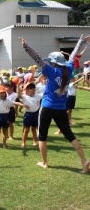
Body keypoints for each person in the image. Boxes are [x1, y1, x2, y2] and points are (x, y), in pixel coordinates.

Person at [20, 35, 90, 172]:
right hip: (61, 109)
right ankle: (84, 160)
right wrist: (80, 42)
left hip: (47, 107)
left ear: (53, 62)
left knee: (42, 136)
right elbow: (73, 55)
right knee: (69, 135)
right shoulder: (69, 69)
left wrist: (26, 47)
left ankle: (45, 162)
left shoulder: (51, 71)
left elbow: (37, 58)